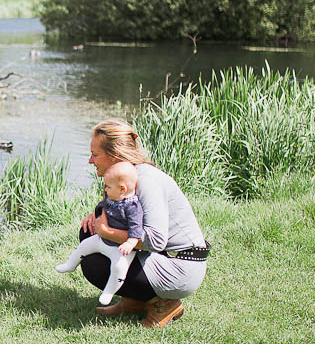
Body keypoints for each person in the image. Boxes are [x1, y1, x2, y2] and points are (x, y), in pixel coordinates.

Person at [75, 119, 209, 328]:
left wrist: (107, 231)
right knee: (88, 234)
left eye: (95, 154)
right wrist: (99, 218)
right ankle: (134, 301)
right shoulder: (124, 177)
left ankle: (165, 304)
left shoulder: (147, 180)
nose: (91, 161)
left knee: (94, 264)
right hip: (161, 257)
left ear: (115, 156)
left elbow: (156, 239)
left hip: (180, 266)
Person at [56, 161, 143, 305]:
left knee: (119, 267)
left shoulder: (133, 207)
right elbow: (101, 207)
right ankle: (70, 264)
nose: (105, 190)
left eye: (108, 187)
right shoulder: (112, 198)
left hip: (120, 248)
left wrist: (130, 242)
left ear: (122, 189)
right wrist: (96, 216)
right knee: (84, 245)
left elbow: (136, 227)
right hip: (102, 240)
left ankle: (109, 291)